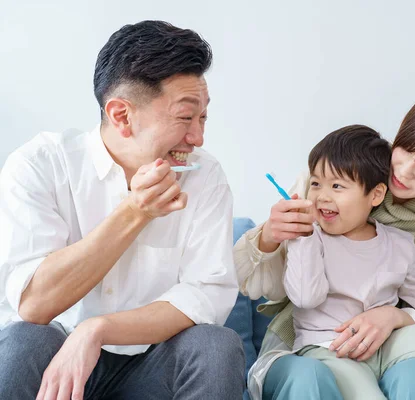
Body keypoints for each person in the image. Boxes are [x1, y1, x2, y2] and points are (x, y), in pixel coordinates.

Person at [0, 20, 244, 400]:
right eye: (185, 117)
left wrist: (96, 329)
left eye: (203, 117)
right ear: (121, 116)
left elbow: (206, 297)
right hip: (54, 357)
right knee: (23, 341)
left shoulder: (205, 176)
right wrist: (136, 212)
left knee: (215, 345)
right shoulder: (41, 164)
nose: (197, 138)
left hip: (151, 363)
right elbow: (34, 304)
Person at [234, 84, 415, 400]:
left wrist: (396, 317)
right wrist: (272, 236)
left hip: (397, 343)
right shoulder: (333, 183)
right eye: (406, 148)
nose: (403, 172)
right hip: (321, 342)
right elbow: (282, 287)